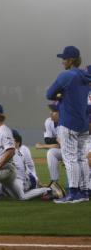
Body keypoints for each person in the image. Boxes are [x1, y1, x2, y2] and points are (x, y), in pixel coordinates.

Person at [46, 46, 91, 203]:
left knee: (70, 158)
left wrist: (61, 94)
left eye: (64, 59)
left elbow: (49, 94)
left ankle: (73, 193)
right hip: (84, 124)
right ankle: (85, 192)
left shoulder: (67, 75)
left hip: (69, 122)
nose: (62, 62)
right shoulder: (86, 75)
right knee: (82, 159)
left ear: (71, 60)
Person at [35, 103, 64, 187]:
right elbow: (48, 140)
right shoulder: (48, 121)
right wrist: (57, 140)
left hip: (75, 151)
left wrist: (42, 146)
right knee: (51, 152)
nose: (51, 113)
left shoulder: (67, 122)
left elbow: (61, 145)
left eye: (54, 111)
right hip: (64, 149)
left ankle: (79, 187)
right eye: (51, 110)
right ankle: (54, 182)